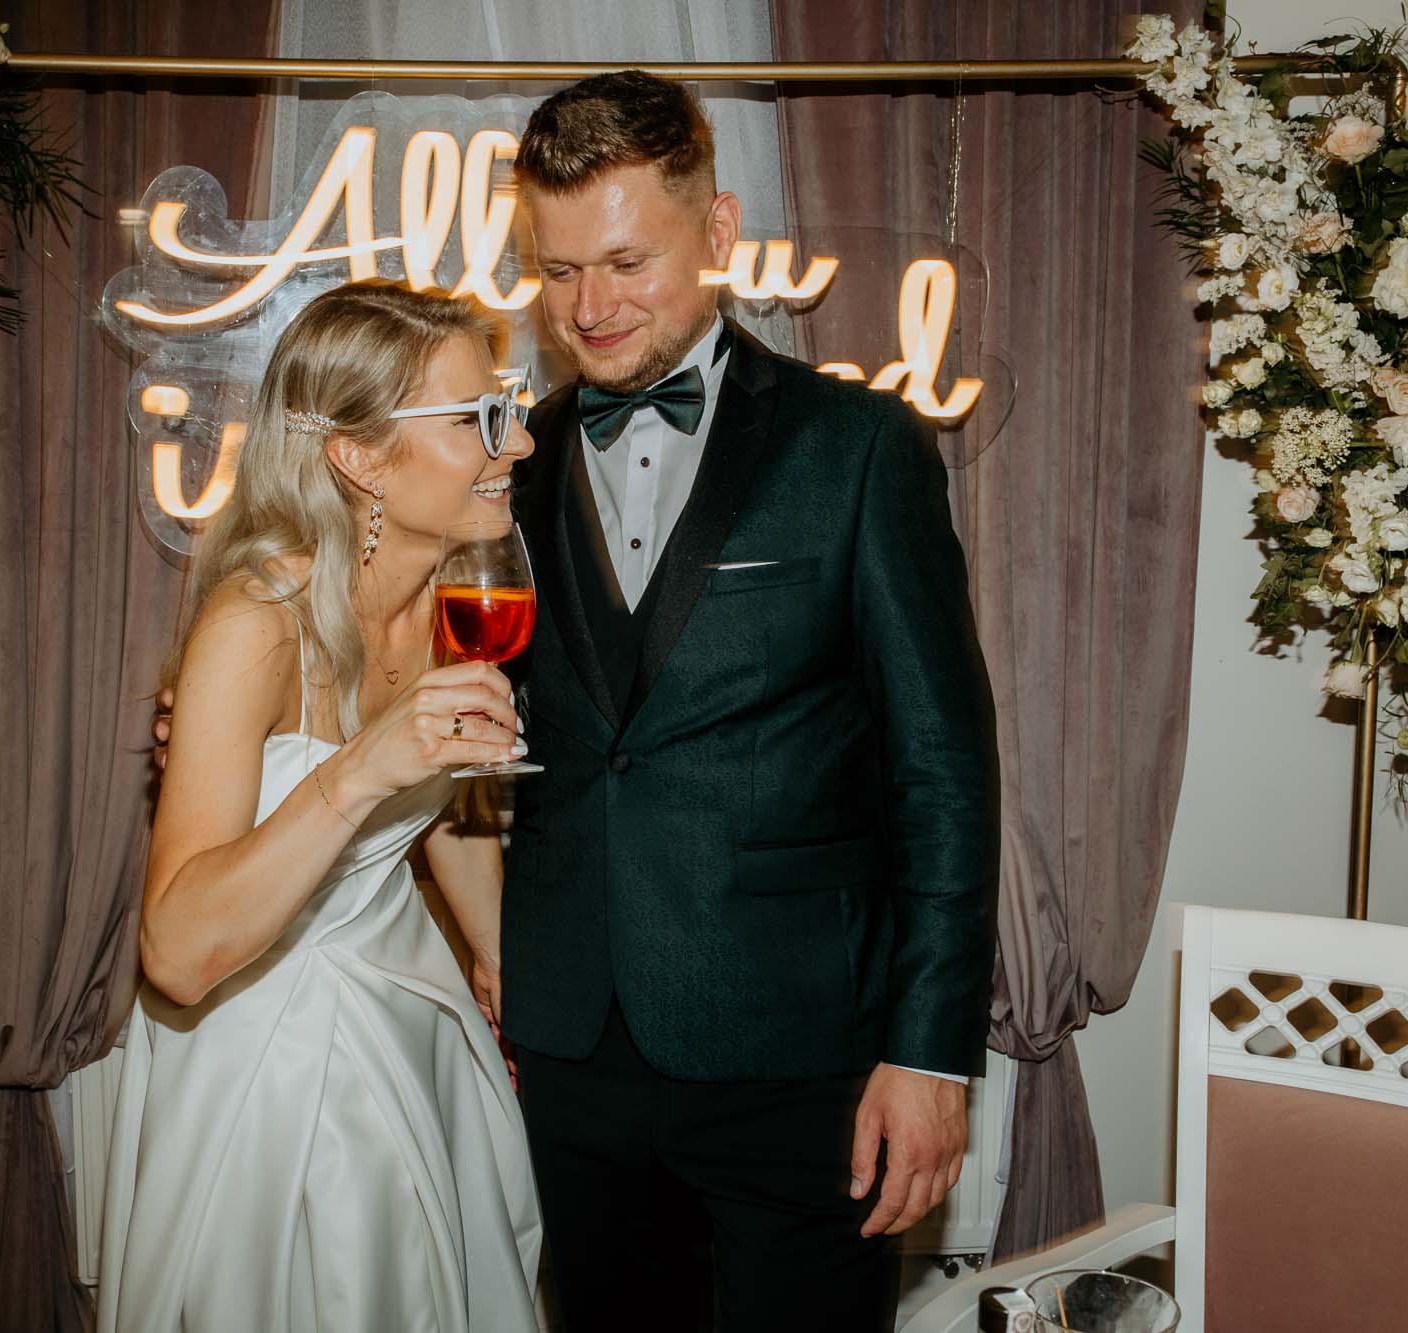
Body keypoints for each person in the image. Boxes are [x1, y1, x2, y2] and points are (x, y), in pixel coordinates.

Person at [495, 71, 1000, 1331]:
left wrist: (927, 1052)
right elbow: (461, 701)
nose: (589, 310)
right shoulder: (512, 461)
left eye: (626, 263)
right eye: (557, 272)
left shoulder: (857, 447)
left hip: (805, 1056)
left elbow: (941, 771)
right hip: (573, 1050)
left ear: (717, 230)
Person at [101, 280, 544, 1333]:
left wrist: (498, 967)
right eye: (478, 419)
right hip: (269, 1048)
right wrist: (357, 771)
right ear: (360, 458)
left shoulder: (455, 603)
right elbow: (177, 954)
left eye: (510, 408)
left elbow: (444, 806)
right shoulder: (255, 624)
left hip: (415, 1008)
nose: (519, 442)